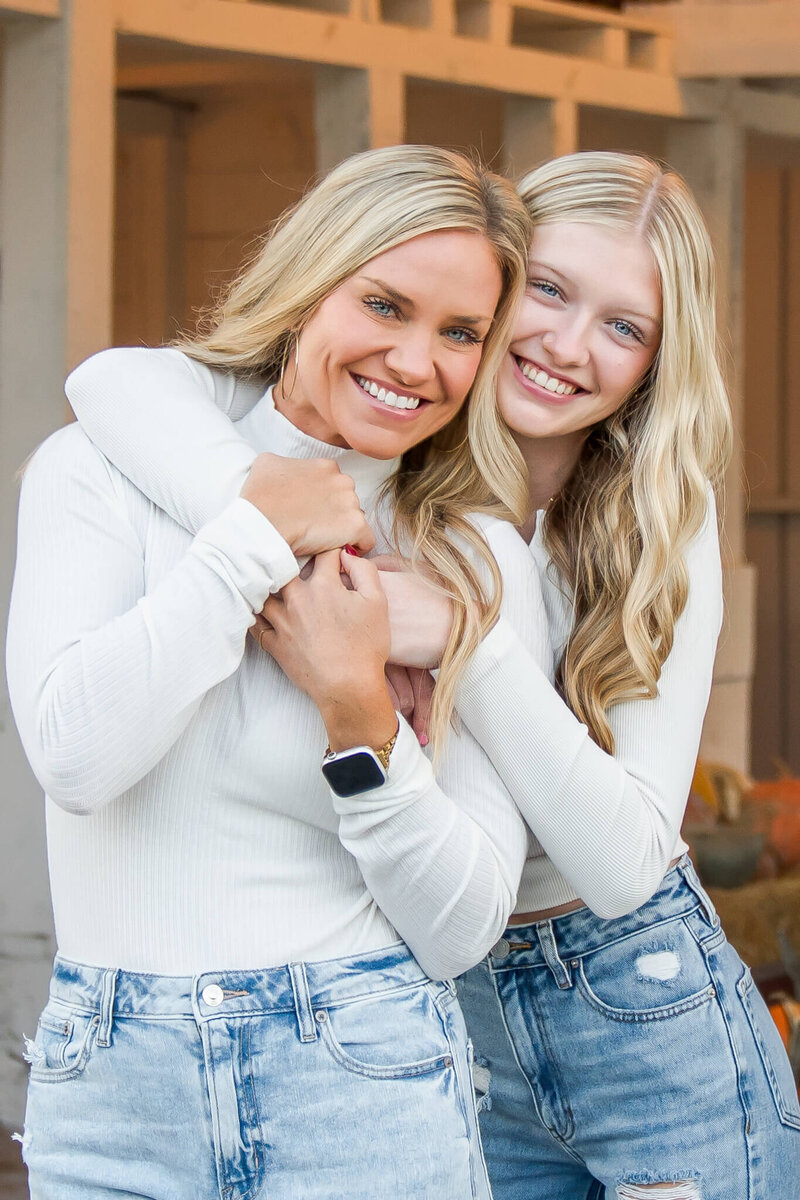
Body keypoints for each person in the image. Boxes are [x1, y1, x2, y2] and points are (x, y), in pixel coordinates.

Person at [65, 150, 800, 1199]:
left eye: (622, 325)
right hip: (435, 1008)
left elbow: (626, 862)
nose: (564, 343)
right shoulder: (382, 450)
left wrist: (474, 641)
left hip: (640, 1010)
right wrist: (261, 507)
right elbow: (107, 380)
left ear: (653, 361)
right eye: (544, 290)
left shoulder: (653, 530)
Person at [6, 144, 554, 1199]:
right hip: (111, 1088)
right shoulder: (101, 471)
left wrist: (357, 711)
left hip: (361, 1072)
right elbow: (74, 758)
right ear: (308, 285)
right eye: (384, 304)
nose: (414, 361)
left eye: (459, 334)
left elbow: (458, 928)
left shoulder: (471, 561)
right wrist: (256, 535)